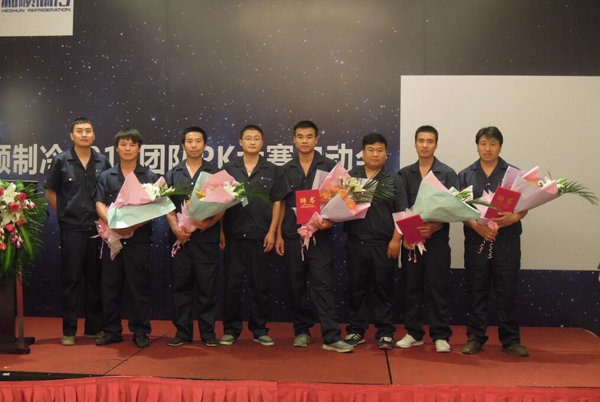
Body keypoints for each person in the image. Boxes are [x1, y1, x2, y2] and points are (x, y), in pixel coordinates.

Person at [275, 120, 353, 353]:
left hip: (321, 238)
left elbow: (344, 201)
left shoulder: (329, 166)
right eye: (300, 136)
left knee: (323, 285)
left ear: (317, 139)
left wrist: (330, 221)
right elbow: (280, 203)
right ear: (294, 140)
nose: (304, 141)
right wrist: (277, 234)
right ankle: (302, 331)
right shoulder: (285, 169)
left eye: (309, 136)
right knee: (296, 285)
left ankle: (331, 336)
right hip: (292, 236)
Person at [458, 126, 529, 357]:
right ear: (477, 146)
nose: (487, 148)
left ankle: (511, 340)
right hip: (476, 241)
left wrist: (514, 218)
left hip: (506, 242)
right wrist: (476, 227)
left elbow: (526, 205)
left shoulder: (514, 175)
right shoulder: (465, 175)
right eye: (483, 143)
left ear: (500, 146)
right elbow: (458, 209)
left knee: (507, 291)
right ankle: (475, 337)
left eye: (492, 144)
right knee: (476, 290)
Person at [220, 125, 290, 346]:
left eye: (256, 138)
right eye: (248, 138)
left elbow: (278, 202)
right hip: (234, 235)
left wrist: (273, 232)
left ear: (262, 143)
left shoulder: (273, 170)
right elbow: (219, 202)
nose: (252, 142)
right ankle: (231, 330)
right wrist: (221, 230)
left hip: (261, 236)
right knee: (232, 285)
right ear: (240, 142)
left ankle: (259, 329)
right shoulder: (229, 169)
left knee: (260, 286)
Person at [45, 117, 111, 346]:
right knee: (71, 280)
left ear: (94, 135)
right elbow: (50, 192)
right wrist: (64, 214)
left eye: (88, 131)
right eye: (79, 131)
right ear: (71, 136)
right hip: (71, 229)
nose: (84, 134)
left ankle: (93, 328)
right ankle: (69, 330)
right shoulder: (61, 160)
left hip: (97, 230)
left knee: (95, 280)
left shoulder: (102, 161)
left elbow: (109, 192)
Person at [94, 128, 159, 349]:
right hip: (112, 239)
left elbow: (154, 208)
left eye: (132, 144)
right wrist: (114, 223)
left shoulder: (149, 177)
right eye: (123, 144)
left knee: (138, 287)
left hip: (139, 240)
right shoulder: (106, 176)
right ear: (117, 148)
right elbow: (99, 203)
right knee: (110, 286)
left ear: (139, 148)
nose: (128, 148)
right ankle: (111, 330)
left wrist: (132, 226)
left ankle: (140, 331)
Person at [396, 125, 458, 353]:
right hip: (411, 240)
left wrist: (435, 225)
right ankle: (414, 333)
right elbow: (401, 206)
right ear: (415, 144)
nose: (425, 145)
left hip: (437, 240)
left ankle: (440, 335)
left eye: (430, 141)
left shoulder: (447, 173)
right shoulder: (404, 174)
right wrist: (407, 234)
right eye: (421, 141)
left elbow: (454, 207)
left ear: (436, 145)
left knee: (438, 287)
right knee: (412, 287)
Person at [343, 133, 408, 350]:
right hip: (356, 242)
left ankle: (386, 332)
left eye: (380, 150)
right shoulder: (352, 177)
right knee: (356, 289)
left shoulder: (394, 179)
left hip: (384, 244)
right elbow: (339, 207)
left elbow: (401, 213)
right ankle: (356, 330)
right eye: (370, 150)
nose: (375, 154)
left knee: (384, 289)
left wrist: (396, 240)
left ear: (386, 154)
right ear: (363, 153)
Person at [165, 126, 222, 347]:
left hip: (206, 239)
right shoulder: (173, 173)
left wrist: (210, 223)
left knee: (208, 288)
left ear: (205, 145)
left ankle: (208, 333)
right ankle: (182, 332)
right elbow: (166, 204)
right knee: (181, 287)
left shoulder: (215, 173)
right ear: (183, 145)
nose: (194, 145)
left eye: (198, 141)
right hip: (180, 240)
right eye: (189, 141)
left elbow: (223, 205)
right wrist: (174, 227)